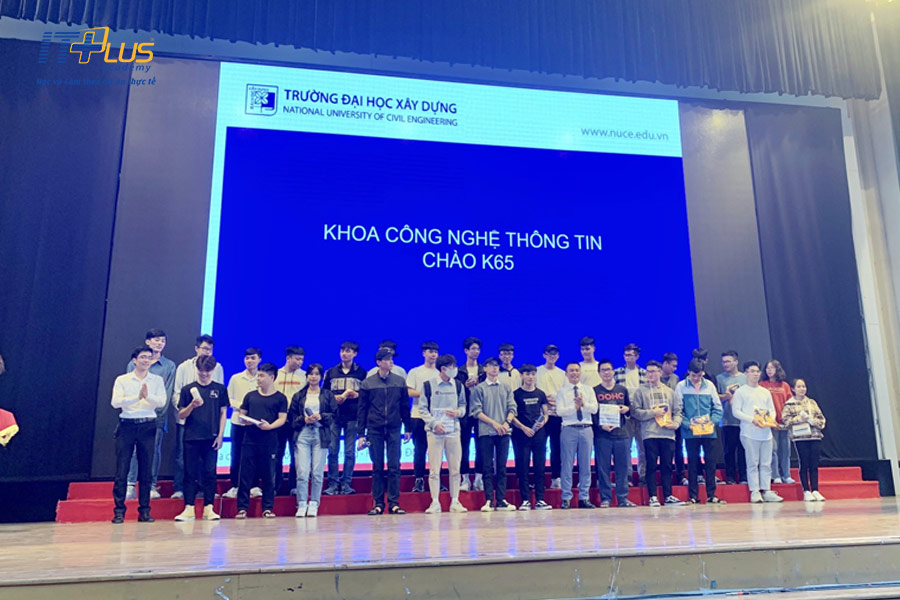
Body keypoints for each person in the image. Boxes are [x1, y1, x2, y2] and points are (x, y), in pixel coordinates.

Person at [111, 346, 167, 523]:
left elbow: (161, 402)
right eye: (143, 357)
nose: (146, 360)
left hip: (148, 426)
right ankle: (119, 511)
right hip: (127, 425)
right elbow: (116, 402)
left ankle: (144, 511)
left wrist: (147, 396)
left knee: (146, 470)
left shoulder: (156, 380)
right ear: (134, 360)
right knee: (122, 470)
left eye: (149, 358)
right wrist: (138, 396)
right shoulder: (123, 380)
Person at [358, 348, 412, 515]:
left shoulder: (399, 381)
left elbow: (404, 406)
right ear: (379, 362)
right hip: (374, 429)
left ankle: (394, 503)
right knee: (378, 467)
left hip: (395, 427)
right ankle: (379, 504)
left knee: (395, 466)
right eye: (387, 359)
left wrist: (408, 428)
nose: (391, 362)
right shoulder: (367, 383)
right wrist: (361, 434)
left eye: (391, 359)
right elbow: (362, 410)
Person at [174, 355, 228, 521]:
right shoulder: (187, 389)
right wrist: (192, 405)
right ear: (196, 369)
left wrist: (221, 435)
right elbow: (181, 414)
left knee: (210, 472)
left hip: (211, 437)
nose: (204, 374)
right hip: (191, 436)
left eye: (208, 371)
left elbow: (223, 413)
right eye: (201, 370)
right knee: (189, 472)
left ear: (213, 370)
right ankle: (189, 508)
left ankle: (208, 508)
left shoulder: (220, 389)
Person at [124, 328, 176, 501]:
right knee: (133, 450)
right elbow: (129, 388)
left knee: (153, 451)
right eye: (156, 340)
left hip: (157, 417)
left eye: (163, 340)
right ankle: (130, 484)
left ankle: (151, 486)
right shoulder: (134, 363)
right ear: (148, 342)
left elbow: (167, 394)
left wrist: (156, 411)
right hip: (135, 415)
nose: (160, 343)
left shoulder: (169, 366)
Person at [171, 335, 224, 500]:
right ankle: (180, 488)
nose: (207, 352)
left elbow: (219, 396)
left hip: (209, 421)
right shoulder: (184, 367)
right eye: (205, 348)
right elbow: (176, 393)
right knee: (182, 457)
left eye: (210, 349)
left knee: (207, 461)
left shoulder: (218, 367)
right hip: (187, 419)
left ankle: (204, 490)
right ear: (196, 348)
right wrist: (187, 406)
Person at [235, 362, 288, 519]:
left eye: (262, 376)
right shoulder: (250, 396)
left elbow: (282, 418)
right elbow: (242, 415)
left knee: (268, 475)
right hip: (249, 440)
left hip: (269, 441)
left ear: (272, 377)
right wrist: (246, 421)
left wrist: (270, 426)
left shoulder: (280, 398)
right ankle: (242, 508)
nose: (258, 378)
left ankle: (267, 508)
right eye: (258, 375)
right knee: (245, 475)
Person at [418, 354, 468, 514]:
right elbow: (422, 408)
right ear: (444, 368)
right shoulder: (428, 385)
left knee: (455, 468)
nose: (455, 369)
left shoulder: (458, 385)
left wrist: (458, 412)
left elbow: (463, 405)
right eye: (452, 366)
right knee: (434, 469)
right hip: (435, 432)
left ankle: (455, 501)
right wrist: (434, 424)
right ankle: (435, 502)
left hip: (453, 431)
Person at [632, 360, 684, 507]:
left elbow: (678, 411)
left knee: (667, 465)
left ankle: (668, 496)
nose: (651, 374)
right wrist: (652, 413)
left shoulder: (670, 392)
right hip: (650, 433)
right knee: (651, 465)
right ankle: (653, 496)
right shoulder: (641, 391)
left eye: (654, 371)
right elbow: (635, 412)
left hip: (667, 433)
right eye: (648, 372)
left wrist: (676, 423)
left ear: (660, 372)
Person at [287, 363, 336, 518]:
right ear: (307, 376)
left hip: (321, 434)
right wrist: (304, 419)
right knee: (302, 472)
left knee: (317, 472)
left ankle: (314, 503)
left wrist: (322, 416)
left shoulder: (327, 395)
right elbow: (292, 418)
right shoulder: (299, 395)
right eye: (311, 374)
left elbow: (334, 415)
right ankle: (302, 503)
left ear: (321, 377)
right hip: (303, 434)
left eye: (316, 374)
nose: (313, 377)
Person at [676, 359, 726, 505]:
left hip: (709, 431)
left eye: (699, 375)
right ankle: (693, 496)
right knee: (692, 463)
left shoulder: (709, 385)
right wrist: (688, 425)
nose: (696, 378)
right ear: (688, 372)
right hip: (691, 432)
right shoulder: (681, 386)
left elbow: (717, 408)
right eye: (693, 375)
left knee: (710, 462)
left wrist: (712, 422)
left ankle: (711, 495)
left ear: (703, 373)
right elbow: (678, 410)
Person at [732, 361, 783, 503]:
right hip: (749, 432)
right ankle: (754, 491)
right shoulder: (741, 392)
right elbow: (736, 411)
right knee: (752, 462)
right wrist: (752, 420)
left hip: (766, 433)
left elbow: (771, 410)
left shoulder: (765, 392)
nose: (755, 374)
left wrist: (769, 421)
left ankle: (766, 489)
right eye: (752, 371)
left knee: (766, 462)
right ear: (746, 373)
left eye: (757, 371)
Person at [471, 357, 517, 511]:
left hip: (504, 431)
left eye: (497, 366)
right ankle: (489, 500)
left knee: (502, 467)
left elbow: (512, 408)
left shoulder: (506, 387)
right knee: (487, 467)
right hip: (486, 432)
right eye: (491, 365)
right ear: (485, 368)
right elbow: (476, 411)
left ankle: (502, 500)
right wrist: (494, 423)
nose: (494, 368)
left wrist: (506, 423)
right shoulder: (479, 389)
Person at [323, 341, 367, 495]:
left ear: (355, 354)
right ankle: (332, 484)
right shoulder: (331, 372)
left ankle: (346, 483)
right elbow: (324, 394)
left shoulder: (361, 373)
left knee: (349, 452)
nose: (344, 353)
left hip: (353, 417)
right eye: (342, 350)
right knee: (332, 451)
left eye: (348, 351)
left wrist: (357, 395)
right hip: (335, 417)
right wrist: (333, 398)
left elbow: (366, 395)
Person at [592, 359, 635, 508]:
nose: (606, 373)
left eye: (609, 369)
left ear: (613, 371)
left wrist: (626, 409)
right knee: (603, 468)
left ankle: (623, 498)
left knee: (622, 468)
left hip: (622, 434)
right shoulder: (595, 391)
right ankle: (605, 498)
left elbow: (629, 408)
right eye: (603, 370)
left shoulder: (622, 389)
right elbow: (593, 413)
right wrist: (601, 426)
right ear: (599, 373)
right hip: (602, 435)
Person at [556, 362, 598, 509]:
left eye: (576, 370)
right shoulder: (561, 392)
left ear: (580, 373)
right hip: (569, 429)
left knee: (586, 465)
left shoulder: (588, 389)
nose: (574, 373)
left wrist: (583, 404)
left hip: (586, 428)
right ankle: (566, 497)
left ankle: (584, 497)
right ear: (566, 374)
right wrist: (574, 407)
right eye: (571, 371)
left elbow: (594, 409)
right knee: (567, 464)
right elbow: (560, 411)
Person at [511, 364, 551, 511]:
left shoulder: (540, 393)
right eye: (527, 374)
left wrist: (543, 423)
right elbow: (511, 415)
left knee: (540, 466)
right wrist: (523, 428)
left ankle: (540, 499)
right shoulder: (515, 394)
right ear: (521, 376)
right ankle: (525, 500)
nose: (530, 377)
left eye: (533, 374)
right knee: (523, 467)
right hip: (521, 434)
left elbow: (545, 413)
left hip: (539, 434)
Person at [223, 347, 261, 498]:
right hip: (238, 422)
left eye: (253, 358)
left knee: (255, 455)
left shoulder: (262, 378)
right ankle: (235, 485)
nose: (249, 361)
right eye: (247, 358)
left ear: (259, 360)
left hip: (255, 422)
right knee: (236, 454)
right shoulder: (236, 378)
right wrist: (243, 406)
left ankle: (254, 486)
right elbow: (228, 398)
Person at [782, 378, 827, 501]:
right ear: (793, 389)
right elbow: (785, 421)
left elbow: (822, 418)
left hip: (815, 435)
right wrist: (798, 419)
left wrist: (816, 422)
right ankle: (806, 490)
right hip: (800, 437)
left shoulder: (811, 402)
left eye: (803, 386)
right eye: (799, 387)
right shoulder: (789, 404)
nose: (802, 389)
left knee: (814, 464)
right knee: (804, 463)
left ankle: (815, 490)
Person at [406, 341, 441, 493]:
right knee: (420, 449)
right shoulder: (415, 372)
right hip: (418, 416)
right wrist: (427, 393)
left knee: (437, 451)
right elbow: (409, 392)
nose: (433, 354)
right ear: (423, 353)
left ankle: (437, 479)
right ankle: (419, 480)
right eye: (430, 351)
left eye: (435, 352)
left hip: (437, 417)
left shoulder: (440, 373)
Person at [455, 337, 486, 492]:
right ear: (466, 351)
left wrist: (479, 385)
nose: (476, 352)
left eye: (478, 349)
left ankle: (479, 478)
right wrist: (464, 386)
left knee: (482, 446)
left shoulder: (484, 371)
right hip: (465, 414)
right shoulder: (459, 371)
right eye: (473, 348)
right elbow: (455, 392)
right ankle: (465, 478)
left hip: (481, 413)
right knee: (463, 446)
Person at [275, 346, 307, 494]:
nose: (300, 362)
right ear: (288, 358)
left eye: (302, 359)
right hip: (278, 419)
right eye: (297, 359)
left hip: (296, 420)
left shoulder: (305, 376)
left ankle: (294, 486)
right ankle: (276, 486)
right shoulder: (276, 375)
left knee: (296, 454)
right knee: (277, 454)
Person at [536, 344, 566, 489]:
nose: (552, 357)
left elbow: (566, 394)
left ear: (558, 356)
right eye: (549, 354)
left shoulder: (562, 374)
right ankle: (539, 479)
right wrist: (544, 400)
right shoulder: (536, 372)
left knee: (556, 447)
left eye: (554, 354)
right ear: (544, 355)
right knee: (539, 448)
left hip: (556, 415)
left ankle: (556, 477)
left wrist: (556, 401)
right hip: (540, 416)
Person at [760, 360, 795, 484]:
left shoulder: (784, 385)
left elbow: (790, 403)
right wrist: (771, 421)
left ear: (777, 369)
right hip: (770, 423)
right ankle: (775, 475)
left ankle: (786, 474)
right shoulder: (762, 385)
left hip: (784, 423)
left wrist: (787, 420)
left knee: (785, 450)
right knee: (773, 450)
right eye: (767, 368)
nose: (769, 370)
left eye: (772, 368)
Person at [716, 350, 747, 484]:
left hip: (743, 421)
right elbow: (715, 397)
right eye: (723, 362)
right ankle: (730, 476)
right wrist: (726, 396)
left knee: (743, 450)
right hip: (727, 420)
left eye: (728, 361)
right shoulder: (719, 378)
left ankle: (744, 476)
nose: (725, 364)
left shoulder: (744, 378)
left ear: (736, 362)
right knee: (729, 451)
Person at [661, 352, 685, 485]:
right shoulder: (655, 378)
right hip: (659, 420)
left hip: (674, 418)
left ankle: (681, 475)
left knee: (678, 449)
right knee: (663, 451)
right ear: (665, 364)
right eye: (673, 366)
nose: (675, 369)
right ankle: (666, 478)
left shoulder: (676, 379)